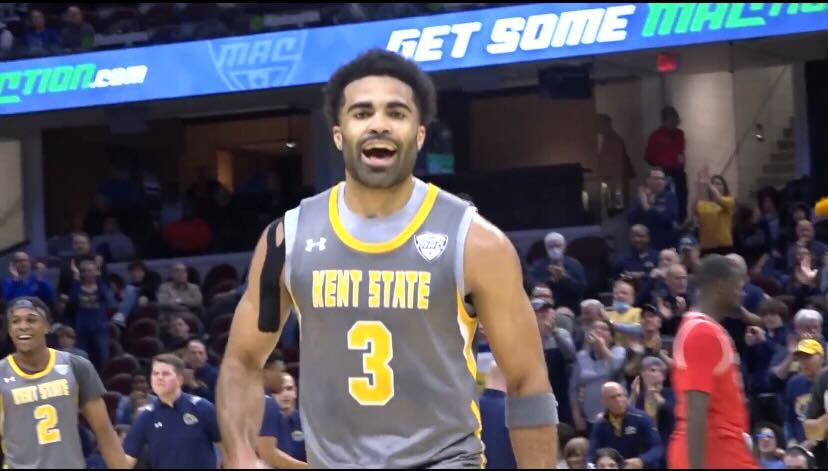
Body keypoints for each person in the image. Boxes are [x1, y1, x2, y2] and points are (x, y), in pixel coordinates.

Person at [216, 49, 558, 469]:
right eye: (362, 112)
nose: (379, 123)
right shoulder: (288, 239)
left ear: (419, 134)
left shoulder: (475, 242)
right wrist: (238, 453)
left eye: (396, 112)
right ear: (339, 134)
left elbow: (528, 382)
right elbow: (242, 360)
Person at [0, 297, 128, 468]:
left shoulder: (76, 366)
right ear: (9, 330)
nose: (23, 326)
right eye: (15, 321)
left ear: (46, 326)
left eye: (31, 319)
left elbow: (104, 432)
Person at [668, 254, 758, 468]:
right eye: (737, 286)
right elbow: (696, 408)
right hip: (715, 451)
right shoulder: (702, 332)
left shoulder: (700, 328)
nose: (742, 293)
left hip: (723, 447)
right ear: (719, 287)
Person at [123, 354, 221, 468]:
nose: (159, 378)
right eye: (155, 373)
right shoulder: (146, 416)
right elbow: (127, 460)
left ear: (179, 379)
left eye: (165, 374)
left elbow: (225, 447)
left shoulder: (202, 407)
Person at [588, 382, 663, 469]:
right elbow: (592, 454)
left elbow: (657, 448)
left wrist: (642, 460)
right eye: (613, 397)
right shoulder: (600, 424)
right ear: (604, 401)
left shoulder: (641, 418)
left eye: (620, 395)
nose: (618, 400)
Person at [645, 106, 687, 222]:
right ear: (664, 120)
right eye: (671, 119)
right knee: (665, 201)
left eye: (675, 118)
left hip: (679, 172)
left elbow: (680, 151)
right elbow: (648, 157)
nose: (674, 121)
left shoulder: (680, 134)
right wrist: (660, 165)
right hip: (664, 172)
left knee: (681, 201)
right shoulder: (656, 136)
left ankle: (680, 223)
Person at [694, 173, 735, 255]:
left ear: (724, 187)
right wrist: (699, 188)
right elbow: (695, 209)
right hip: (706, 248)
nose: (715, 186)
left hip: (724, 247)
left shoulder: (729, 200)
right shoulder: (704, 204)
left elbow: (719, 199)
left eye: (718, 184)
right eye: (713, 184)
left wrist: (711, 186)